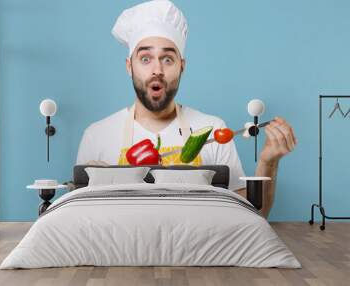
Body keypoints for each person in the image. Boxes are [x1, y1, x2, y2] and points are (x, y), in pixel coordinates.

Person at [76, 0, 297, 218]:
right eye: (145, 58)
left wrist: (268, 163)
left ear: (182, 66)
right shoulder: (97, 136)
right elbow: (78, 219)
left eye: (168, 59)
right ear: (129, 66)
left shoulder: (212, 128)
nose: (157, 70)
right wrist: (95, 184)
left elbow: (253, 216)